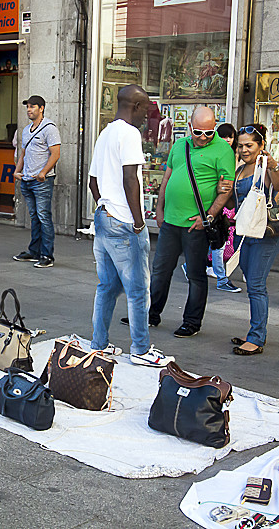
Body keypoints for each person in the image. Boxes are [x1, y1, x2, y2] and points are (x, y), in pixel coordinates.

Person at [125, 106, 235, 338]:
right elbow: (167, 178)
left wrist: (209, 216)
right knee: (160, 270)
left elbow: (226, 189)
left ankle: (192, 322)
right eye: (198, 132)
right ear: (189, 128)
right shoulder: (179, 146)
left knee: (195, 274)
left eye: (209, 132)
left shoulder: (223, 150)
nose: (204, 137)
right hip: (171, 222)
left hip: (196, 224)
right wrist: (159, 208)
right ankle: (151, 314)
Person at [89, 84, 174, 366]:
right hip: (124, 222)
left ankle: (99, 343)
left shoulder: (105, 133)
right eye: (146, 109)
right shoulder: (129, 133)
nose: (147, 115)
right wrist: (138, 221)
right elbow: (131, 180)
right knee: (138, 289)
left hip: (104, 217)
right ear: (135, 107)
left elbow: (93, 181)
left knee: (108, 286)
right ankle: (141, 349)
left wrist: (106, 206)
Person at [229, 124, 279, 356]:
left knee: (256, 284)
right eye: (240, 145)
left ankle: (256, 337)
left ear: (261, 145)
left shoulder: (265, 167)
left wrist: (273, 164)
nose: (243, 149)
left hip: (265, 234)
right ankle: (254, 330)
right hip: (245, 232)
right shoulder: (240, 169)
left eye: (249, 145)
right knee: (249, 277)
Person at [12, 95, 61, 268]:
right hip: (26, 179)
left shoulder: (49, 128)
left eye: (32, 107)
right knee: (34, 217)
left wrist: (43, 173)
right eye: (27, 107)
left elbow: (55, 154)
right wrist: (17, 171)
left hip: (42, 181)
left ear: (41, 108)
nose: (29, 110)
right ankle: (34, 251)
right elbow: (23, 153)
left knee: (44, 217)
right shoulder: (26, 130)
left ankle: (47, 255)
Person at [209, 123, 241, 293]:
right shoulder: (216, 153)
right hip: (215, 204)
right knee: (218, 242)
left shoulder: (236, 155)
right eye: (224, 136)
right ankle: (221, 279)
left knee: (216, 241)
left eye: (231, 136)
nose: (228, 140)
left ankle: (191, 266)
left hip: (229, 203)